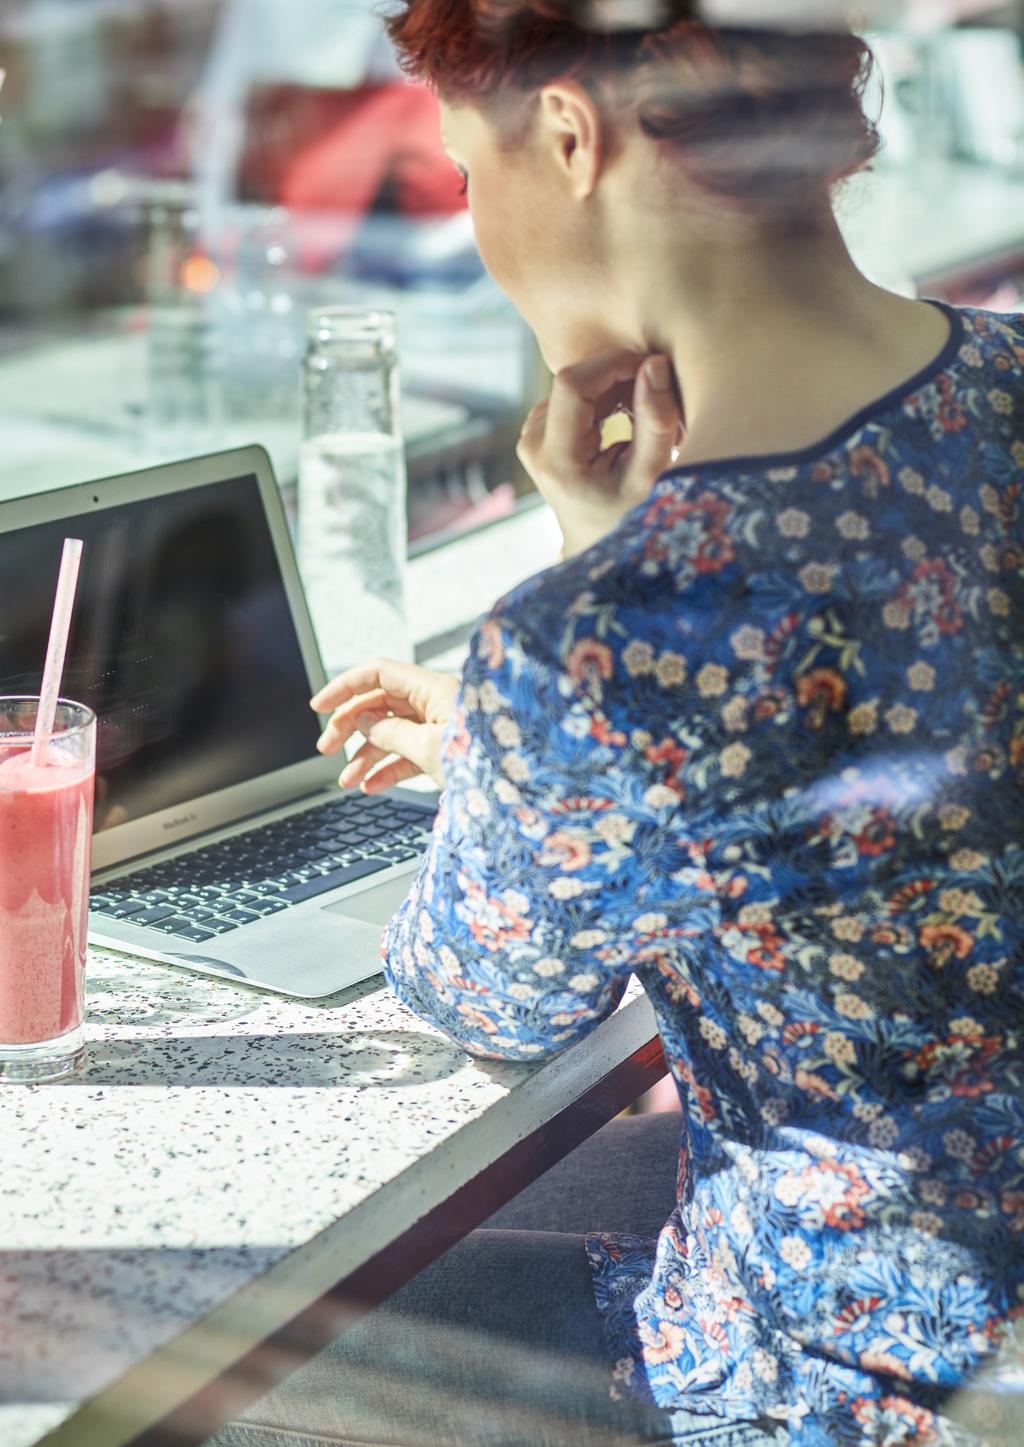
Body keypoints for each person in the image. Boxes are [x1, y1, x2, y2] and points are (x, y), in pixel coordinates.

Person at [208, 2, 1024, 1444]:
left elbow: (484, 996)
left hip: (848, 1383)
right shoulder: (1004, 388)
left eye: (468, 176)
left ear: (570, 139)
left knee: (219, 1376)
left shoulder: (616, 635)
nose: (475, 225)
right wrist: (570, 666)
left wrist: (574, 615)